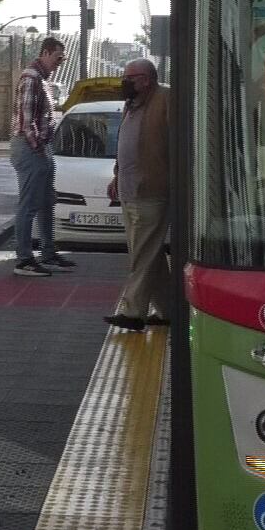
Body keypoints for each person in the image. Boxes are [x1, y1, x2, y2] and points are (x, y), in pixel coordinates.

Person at [106, 57, 172, 331]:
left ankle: (133, 312)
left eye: (130, 77)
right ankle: (169, 309)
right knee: (149, 254)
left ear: (146, 79)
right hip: (129, 190)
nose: (125, 82)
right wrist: (117, 175)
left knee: (142, 254)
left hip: (152, 189)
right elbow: (126, 142)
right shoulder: (131, 104)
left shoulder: (166, 100)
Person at [10, 37, 75, 277]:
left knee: (46, 202)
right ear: (46, 53)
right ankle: (24, 259)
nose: (60, 63)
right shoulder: (31, 78)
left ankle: (48, 253)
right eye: (59, 58)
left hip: (39, 147)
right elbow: (27, 123)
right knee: (29, 205)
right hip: (31, 148)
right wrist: (39, 148)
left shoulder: (41, 80)